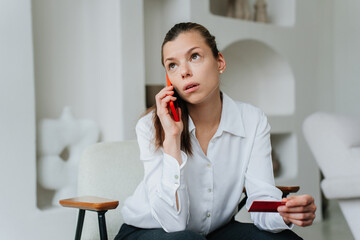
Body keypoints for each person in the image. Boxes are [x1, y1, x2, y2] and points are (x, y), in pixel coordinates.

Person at [115, 22, 316, 240]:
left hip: (214, 232)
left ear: (219, 61)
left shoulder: (252, 120)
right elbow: (174, 223)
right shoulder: (150, 125)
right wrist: (172, 139)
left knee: (285, 239)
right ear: (168, 79)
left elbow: (260, 198)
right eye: (172, 65)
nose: (184, 72)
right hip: (149, 232)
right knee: (185, 239)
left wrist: (284, 213)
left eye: (194, 57)